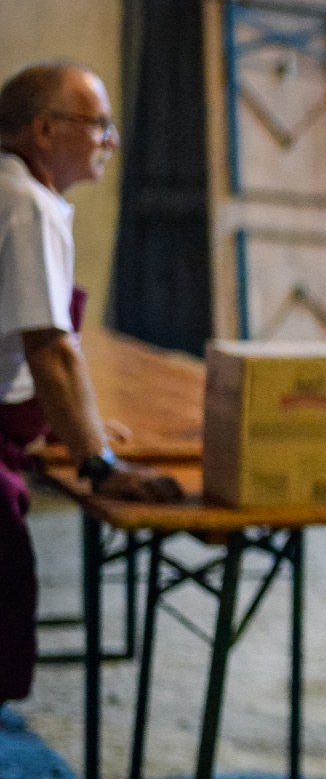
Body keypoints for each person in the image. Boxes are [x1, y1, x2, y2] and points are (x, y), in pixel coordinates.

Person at [0, 62, 180, 708]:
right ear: (46, 129)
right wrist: (98, 463)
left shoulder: (19, 191)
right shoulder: (25, 204)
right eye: (99, 123)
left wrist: (76, 421)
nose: (111, 139)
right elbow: (50, 348)